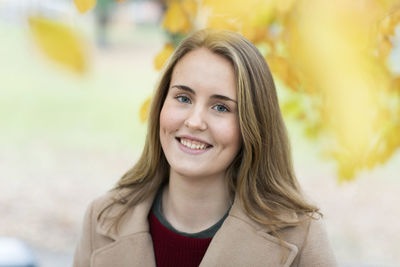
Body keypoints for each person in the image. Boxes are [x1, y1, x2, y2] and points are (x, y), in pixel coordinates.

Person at [73, 29, 337, 267]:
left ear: (253, 124)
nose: (194, 121)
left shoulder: (299, 235)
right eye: (183, 98)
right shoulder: (102, 218)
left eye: (220, 107)